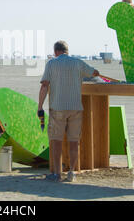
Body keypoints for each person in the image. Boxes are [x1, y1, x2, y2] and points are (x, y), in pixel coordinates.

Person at [38, 40, 99, 182]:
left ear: (55, 51)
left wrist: (40, 106)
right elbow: (94, 73)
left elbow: (44, 85)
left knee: (56, 141)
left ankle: (57, 174)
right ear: (67, 50)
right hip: (76, 108)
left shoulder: (51, 64)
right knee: (73, 142)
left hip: (57, 107)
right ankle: (71, 172)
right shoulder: (78, 62)